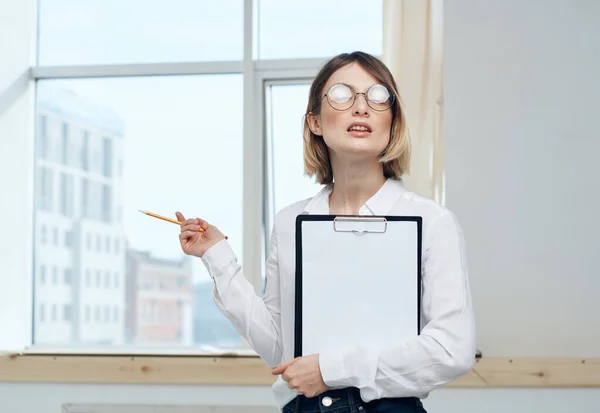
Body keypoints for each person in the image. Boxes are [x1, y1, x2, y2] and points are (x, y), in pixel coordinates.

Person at [176, 51, 476, 413]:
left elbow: (453, 349)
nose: (362, 108)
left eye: (378, 96)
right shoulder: (290, 222)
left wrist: (329, 370)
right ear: (315, 122)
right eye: (342, 95)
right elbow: (280, 347)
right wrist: (217, 258)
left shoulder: (431, 222)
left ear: (393, 122)